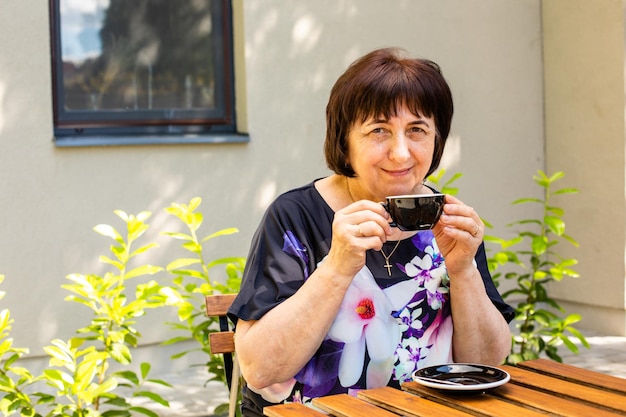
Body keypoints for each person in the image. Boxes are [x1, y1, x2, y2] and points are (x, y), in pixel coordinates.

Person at [227, 47, 514, 415]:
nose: (400, 152)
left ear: (436, 140)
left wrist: (463, 270)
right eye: (379, 130)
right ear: (345, 142)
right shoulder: (296, 216)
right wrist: (337, 267)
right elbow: (259, 369)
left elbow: (486, 364)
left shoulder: (447, 220)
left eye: (417, 130)